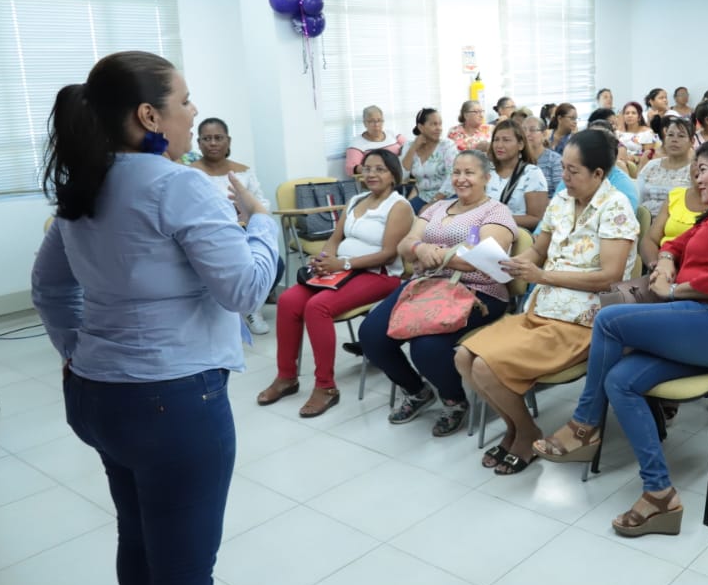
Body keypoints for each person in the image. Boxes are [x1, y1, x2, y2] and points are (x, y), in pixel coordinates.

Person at [32, 51, 276, 585]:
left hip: (96, 396)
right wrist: (262, 225)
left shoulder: (85, 183)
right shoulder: (177, 184)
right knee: (184, 568)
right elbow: (245, 291)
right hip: (174, 404)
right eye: (184, 100)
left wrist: (76, 353)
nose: (194, 113)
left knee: (139, 537)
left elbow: (49, 288)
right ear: (149, 115)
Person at [533, 137, 708, 537]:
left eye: (704, 170)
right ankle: (660, 494)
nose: (697, 178)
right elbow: (673, 243)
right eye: (695, 170)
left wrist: (672, 289)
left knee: (609, 319)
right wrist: (666, 260)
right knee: (620, 380)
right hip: (701, 326)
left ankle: (584, 425)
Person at [456, 130, 639, 476]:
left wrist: (542, 276)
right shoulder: (562, 200)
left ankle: (526, 432)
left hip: (583, 321)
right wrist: (511, 263)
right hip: (542, 309)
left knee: (484, 367)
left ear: (598, 173)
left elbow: (610, 276)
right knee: (464, 357)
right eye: (563, 168)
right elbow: (539, 250)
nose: (563, 176)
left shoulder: (616, 207)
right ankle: (516, 427)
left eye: (573, 171)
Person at [358, 151, 517, 436]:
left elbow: (482, 258)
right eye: (456, 172)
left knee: (427, 348)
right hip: (426, 285)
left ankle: (454, 401)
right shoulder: (438, 207)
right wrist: (420, 249)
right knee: (371, 335)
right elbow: (405, 244)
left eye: (469, 173)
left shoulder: (496, 212)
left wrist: (434, 254)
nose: (461, 179)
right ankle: (416, 391)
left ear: (486, 178)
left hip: (478, 291)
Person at [257, 150, 413, 418]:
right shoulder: (355, 200)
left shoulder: (399, 206)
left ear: (393, 175)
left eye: (380, 169)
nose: (372, 174)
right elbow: (334, 239)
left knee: (317, 307)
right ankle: (286, 377)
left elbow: (389, 254)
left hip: (379, 275)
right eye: (367, 168)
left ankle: (326, 387)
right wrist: (323, 259)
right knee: (288, 300)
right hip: (342, 271)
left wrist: (344, 264)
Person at [184, 117, 275, 335]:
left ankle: (251, 309)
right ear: (199, 143)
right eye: (207, 139)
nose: (213, 143)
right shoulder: (189, 173)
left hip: (244, 231)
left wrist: (246, 214)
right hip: (209, 238)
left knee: (274, 264)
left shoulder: (243, 171)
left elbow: (262, 204)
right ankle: (227, 311)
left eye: (218, 138)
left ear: (228, 141)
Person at [486, 119, 549, 231]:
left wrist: (497, 219)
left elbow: (537, 219)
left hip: (517, 235)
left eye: (506, 140)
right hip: (484, 232)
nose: (499, 145)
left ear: (520, 145)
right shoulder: (486, 171)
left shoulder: (531, 173)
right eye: (496, 140)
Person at [641, 161, 702, 270]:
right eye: (696, 161)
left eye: (705, 166)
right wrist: (657, 266)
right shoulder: (676, 195)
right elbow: (650, 240)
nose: (698, 168)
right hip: (663, 266)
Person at [636, 116, 694, 217]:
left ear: (692, 141)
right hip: (645, 220)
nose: (674, 140)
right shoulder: (651, 166)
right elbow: (637, 196)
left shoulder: (694, 171)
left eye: (681, 136)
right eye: (670, 135)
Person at [402, 107, 458, 213]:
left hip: (448, 196)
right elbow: (403, 176)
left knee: (429, 217)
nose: (439, 128)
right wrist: (414, 147)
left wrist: (433, 204)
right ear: (421, 127)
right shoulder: (409, 145)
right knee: (403, 214)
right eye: (433, 124)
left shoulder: (447, 146)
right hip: (424, 197)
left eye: (440, 124)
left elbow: (452, 177)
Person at [343, 105, 405, 176]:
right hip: (377, 176)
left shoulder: (393, 134)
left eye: (379, 120)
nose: (376, 124)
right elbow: (350, 168)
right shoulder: (357, 144)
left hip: (402, 171)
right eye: (372, 121)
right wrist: (376, 170)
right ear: (365, 123)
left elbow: (409, 147)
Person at [522, 115, 562, 195]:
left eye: (532, 130)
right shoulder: (517, 160)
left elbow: (560, 193)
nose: (527, 134)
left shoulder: (555, 160)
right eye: (523, 130)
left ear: (544, 134)